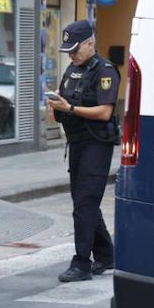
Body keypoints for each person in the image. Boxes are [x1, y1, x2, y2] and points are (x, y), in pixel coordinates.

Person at [47, 19, 118, 282]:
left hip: (96, 144)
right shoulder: (72, 70)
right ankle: (106, 254)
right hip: (76, 142)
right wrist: (55, 107)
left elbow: (104, 111)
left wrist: (71, 109)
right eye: (69, 51)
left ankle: (81, 263)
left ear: (91, 43)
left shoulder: (105, 71)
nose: (72, 55)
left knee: (85, 203)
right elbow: (64, 105)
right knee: (83, 201)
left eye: (76, 50)